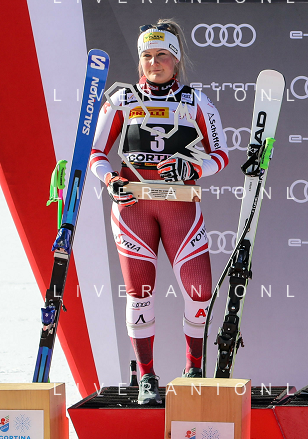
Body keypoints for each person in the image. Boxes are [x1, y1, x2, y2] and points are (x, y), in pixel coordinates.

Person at [89, 21, 229, 405]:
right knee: (140, 294)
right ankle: (147, 378)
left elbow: (220, 155)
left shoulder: (197, 101)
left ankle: (194, 369)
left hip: (180, 207)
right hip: (133, 209)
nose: (154, 63)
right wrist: (110, 180)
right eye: (147, 56)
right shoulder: (122, 99)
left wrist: (192, 167)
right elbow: (96, 152)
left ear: (176, 58)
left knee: (200, 292)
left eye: (162, 55)